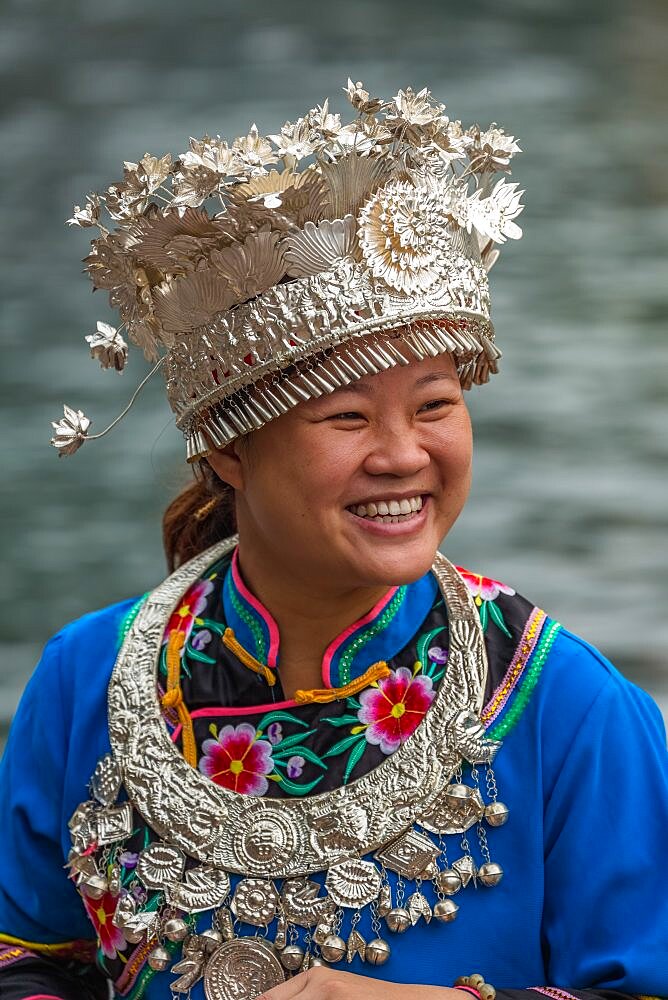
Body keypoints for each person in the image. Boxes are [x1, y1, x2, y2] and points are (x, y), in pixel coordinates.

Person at [0, 81, 666, 1000]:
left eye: (436, 405)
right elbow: (24, 957)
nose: (403, 456)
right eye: (346, 417)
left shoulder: (569, 708)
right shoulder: (88, 677)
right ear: (229, 451)